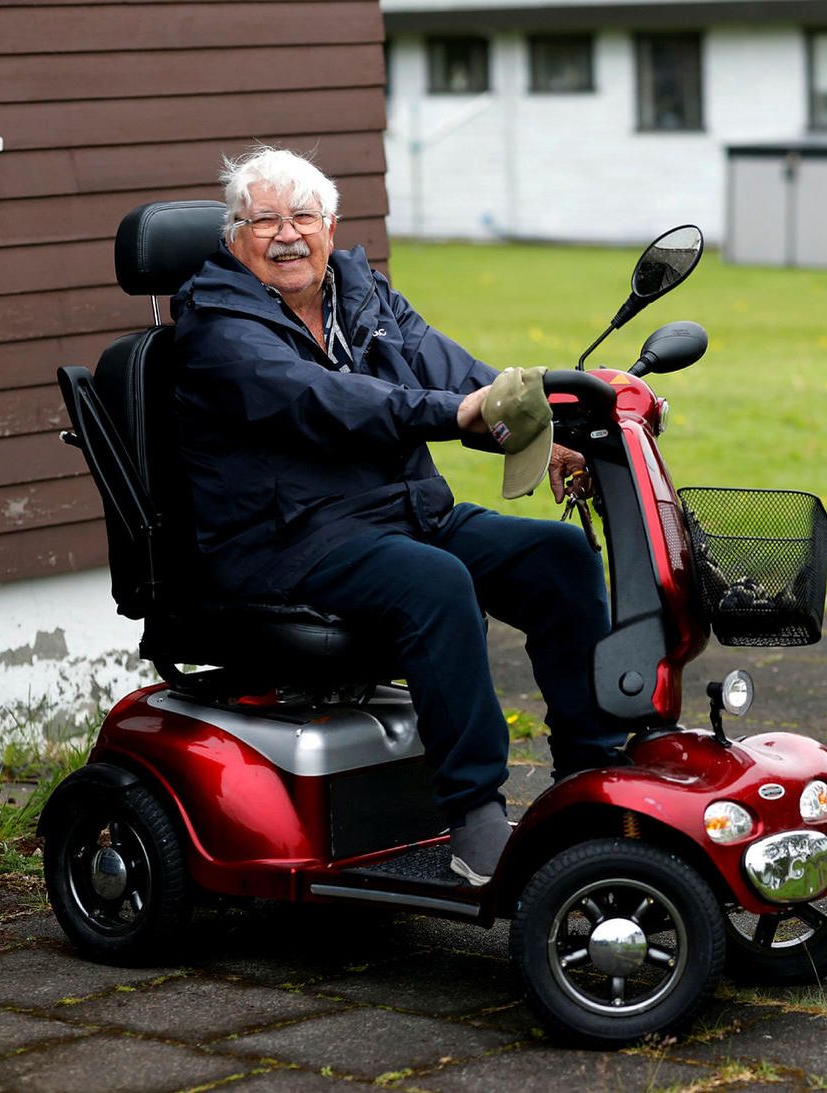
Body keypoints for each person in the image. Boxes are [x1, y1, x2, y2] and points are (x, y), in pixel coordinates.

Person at [170, 147, 623, 886]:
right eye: (264, 221)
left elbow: (444, 365)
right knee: (436, 581)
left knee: (559, 557)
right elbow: (323, 403)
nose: (287, 235)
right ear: (234, 238)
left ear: (330, 224)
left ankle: (591, 775)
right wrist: (457, 414)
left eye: (303, 216)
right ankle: (475, 818)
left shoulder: (361, 291)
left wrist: (540, 431)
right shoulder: (217, 326)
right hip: (290, 536)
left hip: (400, 513)